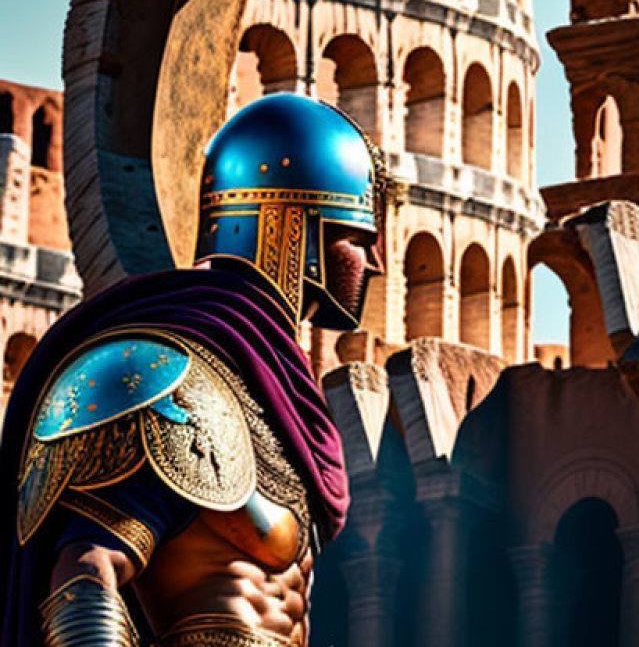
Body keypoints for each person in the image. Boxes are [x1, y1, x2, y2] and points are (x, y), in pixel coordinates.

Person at [0, 93, 386, 646]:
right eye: (358, 238)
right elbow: (87, 576)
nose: (373, 263)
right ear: (293, 227)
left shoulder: (266, 390)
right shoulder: (162, 374)